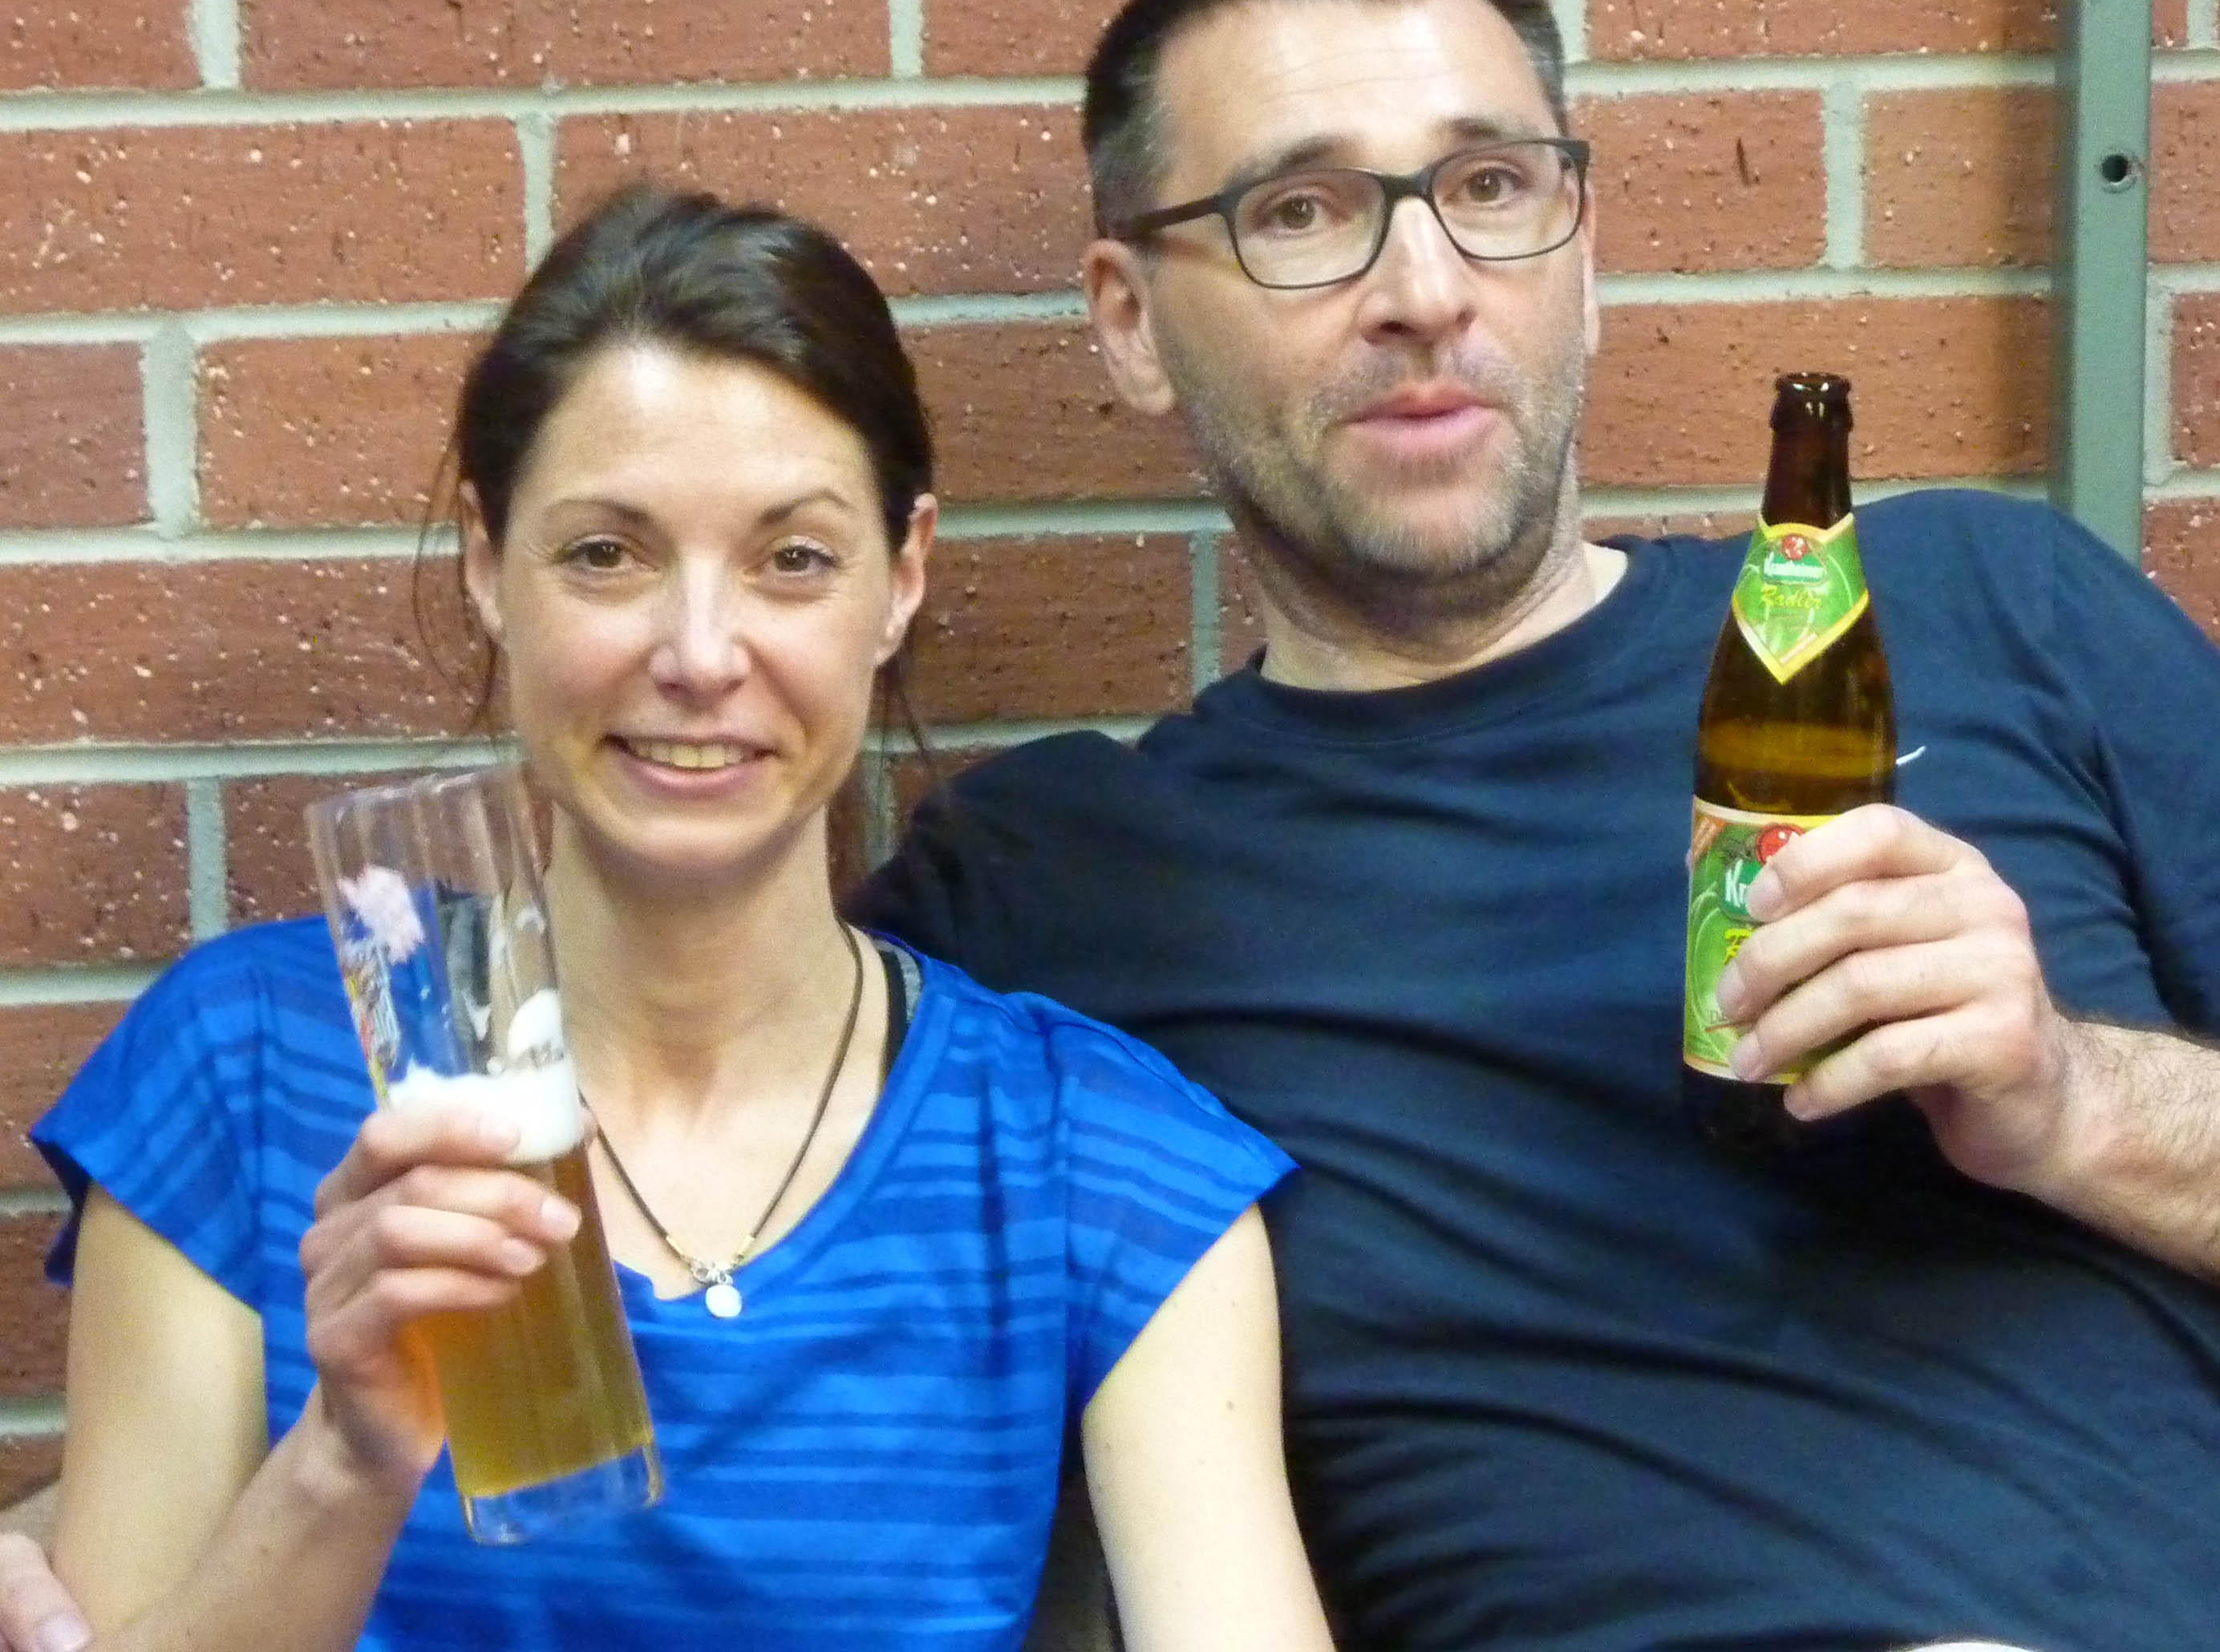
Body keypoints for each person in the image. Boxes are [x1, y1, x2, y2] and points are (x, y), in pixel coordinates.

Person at [845, 0, 2220, 1650]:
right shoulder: (1059, 887)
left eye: (1489, 187)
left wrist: (2079, 1103)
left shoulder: (1984, 604)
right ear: (1131, 323)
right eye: (1299, 213)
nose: (1425, 291)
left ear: (1586, 251)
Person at [10, 185, 1333, 1652]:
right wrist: (348, 1456)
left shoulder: (1097, 1160)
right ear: (485, 565)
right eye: (607, 555)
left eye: (793, 559)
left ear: (902, 578)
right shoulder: (242, 1070)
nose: (701, 655)